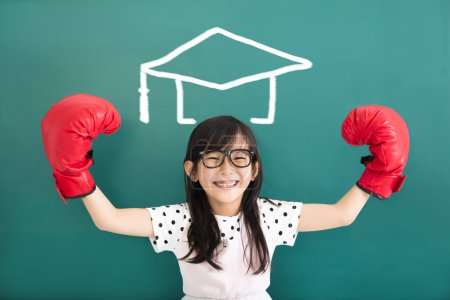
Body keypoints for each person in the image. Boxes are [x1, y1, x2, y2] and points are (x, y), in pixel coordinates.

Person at [41, 94, 409, 300]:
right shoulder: (179, 219)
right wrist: (74, 172)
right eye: (212, 158)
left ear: (253, 169)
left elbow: (341, 214)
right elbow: (110, 219)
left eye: (239, 158)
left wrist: (380, 172)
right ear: (192, 171)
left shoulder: (270, 215)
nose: (226, 169)